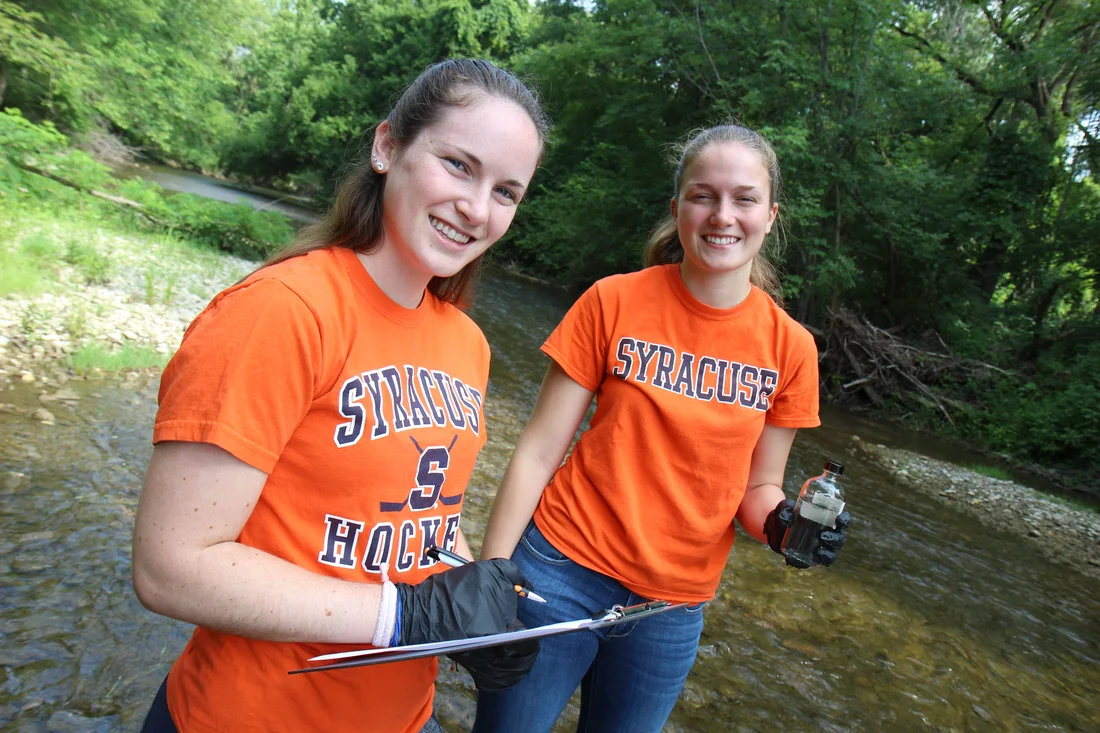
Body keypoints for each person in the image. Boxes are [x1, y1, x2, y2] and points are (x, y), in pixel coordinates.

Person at [131, 58, 549, 733]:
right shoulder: (284, 311)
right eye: (459, 166)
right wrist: (407, 615)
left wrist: (473, 611)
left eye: (506, 191)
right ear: (388, 146)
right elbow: (169, 566)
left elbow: (416, 515)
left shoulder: (468, 344)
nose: (476, 208)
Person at [472, 124, 851, 733]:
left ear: (771, 215)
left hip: (671, 609)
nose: (722, 215)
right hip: (558, 571)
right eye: (702, 195)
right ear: (676, 209)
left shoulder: (792, 348)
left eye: (744, 198)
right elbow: (539, 452)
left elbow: (759, 492)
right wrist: (490, 577)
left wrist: (786, 528)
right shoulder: (611, 301)